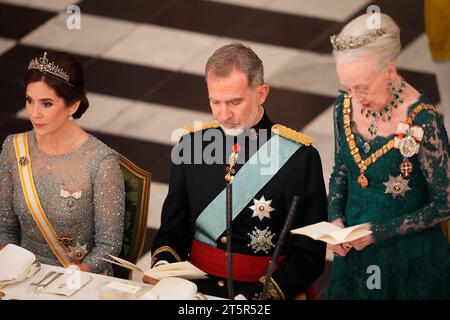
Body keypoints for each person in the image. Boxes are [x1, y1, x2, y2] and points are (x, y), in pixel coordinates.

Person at [145, 43, 327, 300]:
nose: (223, 114)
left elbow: (309, 255)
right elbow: (173, 230)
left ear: (261, 93)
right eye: (215, 101)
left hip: (260, 293)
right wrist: (164, 269)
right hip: (195, 291)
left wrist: (252, 298)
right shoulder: (192, 145)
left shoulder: (299, 158)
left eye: (234, 102)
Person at [327, 13, 450, 299]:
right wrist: (335, 220)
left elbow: (445, 203)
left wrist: (378, 232)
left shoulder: (423, 122)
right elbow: (342, 169)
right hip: (355, 257)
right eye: (348, 87)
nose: (355, 97)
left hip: (412, 264)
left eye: (363, 87)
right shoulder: (343, 107)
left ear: (390, 71)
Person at [0, 51, 125, 275]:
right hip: (21, 279)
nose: (34, 113)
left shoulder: (101, 161)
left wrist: (67, 283)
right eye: (30, 100)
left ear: (73, 105)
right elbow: (4, 229)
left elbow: (108, 246)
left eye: (46, 104)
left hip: (78, 283)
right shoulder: (13, 148)